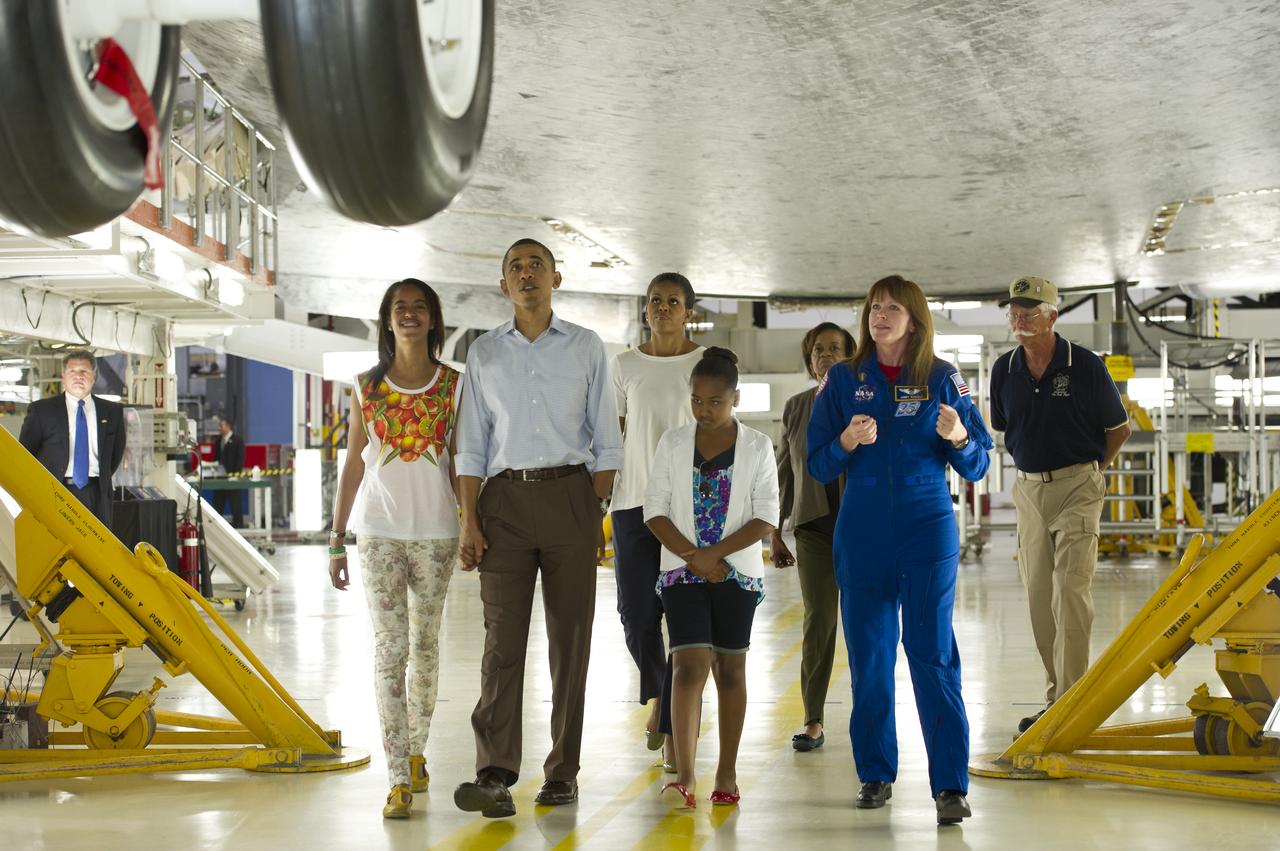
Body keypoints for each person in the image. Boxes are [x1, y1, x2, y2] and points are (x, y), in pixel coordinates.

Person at [807, 274, 991, 825]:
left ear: (915, 319)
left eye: (892, 308)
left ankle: (950, 786)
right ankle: (875, 773)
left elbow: (979, 461)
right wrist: (845, 442)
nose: (879, 315)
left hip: (926, 523)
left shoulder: (942, 377)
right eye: (873, 307)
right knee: (870, 656)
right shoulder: (841, 380)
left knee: (931, 652)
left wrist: (958, 435)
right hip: (862, 529)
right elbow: (816, 463)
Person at [453, 238, 624, 819]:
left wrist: (593, 502)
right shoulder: (484, 354)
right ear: (503, 285)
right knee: (502, 644)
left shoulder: (585, 346)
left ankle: (562, 771)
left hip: (570, 496)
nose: (526, 274)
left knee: (570, 642)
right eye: (515, 268)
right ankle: (495, 773)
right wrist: (469, 519)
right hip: (502, 503)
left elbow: (607, 434)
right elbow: (471, 444)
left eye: (536, 266)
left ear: (556, 278)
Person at [327, 278, 463, 819]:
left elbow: (461, 462)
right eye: (399, 308)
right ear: (387, 320)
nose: (408, 315)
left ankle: (416, 750)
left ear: (432, 320)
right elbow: (354, 463)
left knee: (425, 648)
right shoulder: (365, 386)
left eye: (419, 308)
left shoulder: (454, 385)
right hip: (378, 534)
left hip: (436, 535)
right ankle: (397, 776)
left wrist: (472, 524)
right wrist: (337, 539)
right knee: (390, 651)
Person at [989, 275, 1131, 733]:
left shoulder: (1085, 366)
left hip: (1078, 487)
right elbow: (1003, 426)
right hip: (1029, 491)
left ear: (1052, 315)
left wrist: (1091, 474)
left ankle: (1072, 704)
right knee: (1038, 597)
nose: (1018, 320)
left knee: (1070, 591)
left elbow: (1119, 429)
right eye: (1013, 313)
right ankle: (1057, 697)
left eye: (1028, 313)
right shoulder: (1003, 369)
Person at [644, 347, 779, 810]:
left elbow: (767, 516)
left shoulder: (758, 446)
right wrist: (692, 557)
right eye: (697, 401)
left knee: (730, 669)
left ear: (734, 397)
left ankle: (727, 770)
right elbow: (654, 509)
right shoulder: (673, 443)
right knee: (687, 666)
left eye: (714, 402)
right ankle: (684, 773)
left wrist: (716, 555)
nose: (703, 410)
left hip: (736, 574)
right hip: (681, 572)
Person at [610, 272, 703, 767]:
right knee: (638, 616)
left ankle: (670, 724)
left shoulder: (705, 363)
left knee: (685, 620)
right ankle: (664, 697)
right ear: (645, 309)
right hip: (632, 504)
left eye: (673, 301)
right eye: (655, 301)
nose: (663, 308)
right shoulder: (624, 365)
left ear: (688, 309)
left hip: (690, 506)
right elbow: (613, 435)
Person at [771, 321, 854, 752]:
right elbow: (783, 472)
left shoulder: (864, 400)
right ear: (809, 359)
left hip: (860, 527)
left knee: (862, 626)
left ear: (850, 356)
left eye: (835, 349)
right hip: (813, 527)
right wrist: (775, 531)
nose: (825, 356)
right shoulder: (796, 407)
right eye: (818, 350)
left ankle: (869, 718)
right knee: (819, 621)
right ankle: (813, 719)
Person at [19, 349, 126, 528]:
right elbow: (26, 454)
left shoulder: (112, 412)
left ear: (94, 376)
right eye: (72, 371)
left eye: (84, 371)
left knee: (96, 549)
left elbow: (115, 454)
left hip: (96, 494)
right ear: (63, 376)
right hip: (55, 492)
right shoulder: (42, 411)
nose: (78, 376)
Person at [214, 416, 246, 527]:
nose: (220, 428)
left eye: (221, 425)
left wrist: (236, 474)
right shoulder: (218, 441)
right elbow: (216, 459)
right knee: (218, 503)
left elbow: (240, 458)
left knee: (235, 503)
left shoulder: (237, 440)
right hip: (220, 477)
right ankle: (216, 526)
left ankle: (238, 525)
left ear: (228, 426)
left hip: (233, 477)